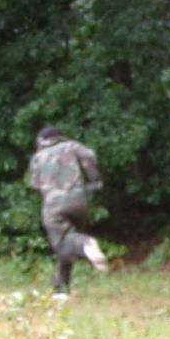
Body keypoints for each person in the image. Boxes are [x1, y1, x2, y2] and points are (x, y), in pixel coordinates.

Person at [26, 126, 109, 296]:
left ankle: (85, 244)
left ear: (41, 141)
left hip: (54, 205)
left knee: (62, 242)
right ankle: (60, 289)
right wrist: (94, 180)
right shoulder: (72, 146)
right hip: (79, 201)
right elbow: (90, 156)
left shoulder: (38, 157)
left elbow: (34, 185)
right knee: (67, 242)